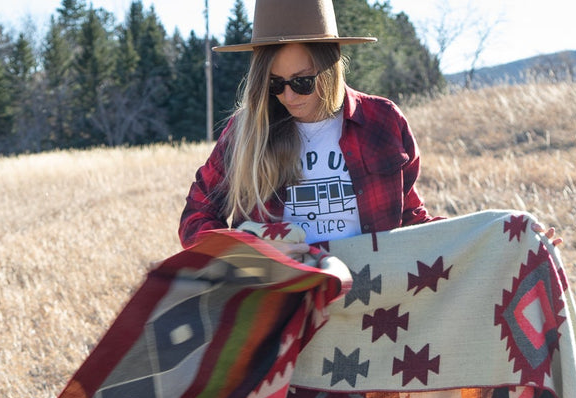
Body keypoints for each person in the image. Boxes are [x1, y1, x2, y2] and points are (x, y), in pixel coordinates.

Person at [179, 0, 437, 253]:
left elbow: (410, 217)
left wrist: (472, 241)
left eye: (302, 82)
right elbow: (197, 217)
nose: (288, 97)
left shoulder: (382, 120)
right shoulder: (245, 132)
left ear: (330, 67)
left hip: (375, 290)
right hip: (281, 292)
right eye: (275, 84)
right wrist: (246, 251)